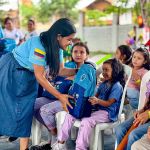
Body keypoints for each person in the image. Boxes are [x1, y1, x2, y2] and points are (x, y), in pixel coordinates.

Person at [0, 18, 77, 150]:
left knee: (26, 110)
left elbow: (60, 70)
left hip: (27, 74)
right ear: (59, 36)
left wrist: (79, 70)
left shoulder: (57, 49)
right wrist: (60, 96)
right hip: (12, 69)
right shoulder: (39, 45)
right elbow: (40, 76)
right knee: (7, 107)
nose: (70, 43)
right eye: (69, 39)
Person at [52, 58, 124, 150]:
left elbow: (109, 103)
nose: (104, 72)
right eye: (103, 69)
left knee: (86, 121)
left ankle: (80, 148)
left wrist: (97, 101)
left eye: (107, 70)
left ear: (115, 71)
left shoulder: (117, 86)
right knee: (70, 115)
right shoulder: (103, 84)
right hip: (97, 109)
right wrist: (86, 100)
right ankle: (60, 143)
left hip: (108, 113)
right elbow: (95, 96)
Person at [30, 42, 90, 150]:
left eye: (82, 52)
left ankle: (56, 141)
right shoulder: (66, 67)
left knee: (44, 110)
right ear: (71, 53)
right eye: (75, 51)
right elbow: (56, 77)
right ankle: (54, 133)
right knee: (30, 105)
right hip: (54, 96)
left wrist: (72, 78)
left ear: (87, 55)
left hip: (71, 100)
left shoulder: (89, 68)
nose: (78, 54)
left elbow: (85, 84)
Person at [115, 79, 150, 150]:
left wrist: (148, 114)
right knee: (120, 129)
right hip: (145, 113)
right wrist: (142, 110)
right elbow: (147, 102)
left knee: (134, 134)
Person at [125, 47, 150, 117]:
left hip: (136, 99)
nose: (135, 60)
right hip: (127, 96)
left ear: (145, 61)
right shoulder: (129, 69)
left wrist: (137, 79)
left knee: (131, 113)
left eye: (139, 58)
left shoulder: (145, 72)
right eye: (134, 57)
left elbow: (144, 90)